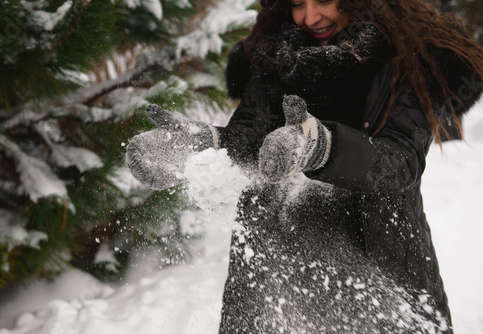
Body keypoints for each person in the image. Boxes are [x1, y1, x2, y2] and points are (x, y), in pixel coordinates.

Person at [126, 0, 483, 332]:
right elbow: (250, 138)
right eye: (297, 3)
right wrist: (205, 146)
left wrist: (322, 146)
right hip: (270, 264)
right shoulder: (275, 53)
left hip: (377, 256)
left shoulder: (408, 59)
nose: (310, 17)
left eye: (324, 0)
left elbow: (397, 164)